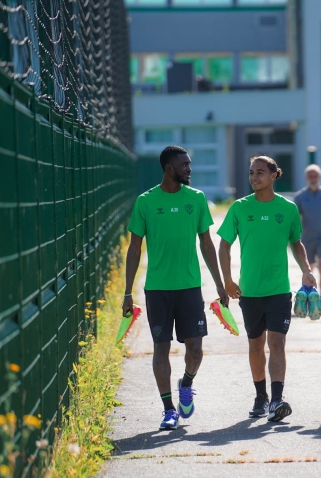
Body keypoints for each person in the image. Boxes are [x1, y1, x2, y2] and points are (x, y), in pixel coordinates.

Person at [122, 145, 228, 431]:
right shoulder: (145, 202)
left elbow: (207, 243)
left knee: (195, 349)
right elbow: (134, 249)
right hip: (157, 289)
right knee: (161, 347)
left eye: (189, 164)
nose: (189, 169)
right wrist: (127, 292)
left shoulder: (196, 198)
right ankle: (169, 409)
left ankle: (186, 384)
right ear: (169, 168)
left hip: (190, 288)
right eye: (184, 165)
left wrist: (220, 283)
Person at [218, 156, 316, 422]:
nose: (254, 177)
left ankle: (277, 399)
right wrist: (227, 279)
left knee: (278, 342)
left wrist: (306, 270)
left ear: (274, 175)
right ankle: (260, 397)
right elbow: (224, 245)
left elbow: (296, 243)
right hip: (249, 291)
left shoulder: (288, 208)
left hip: (278, 290)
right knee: (256, 345)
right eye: (251, 173)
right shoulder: (239, 208)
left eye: (260, 172)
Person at [293, 165, 321, 311]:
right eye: (310, 176)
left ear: (319, 177)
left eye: (315, 176)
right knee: (308, 270)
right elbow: (294, 219)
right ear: (306, 178)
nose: (313, 179)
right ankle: (307, 297)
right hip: (306, 239)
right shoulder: (300, 197)